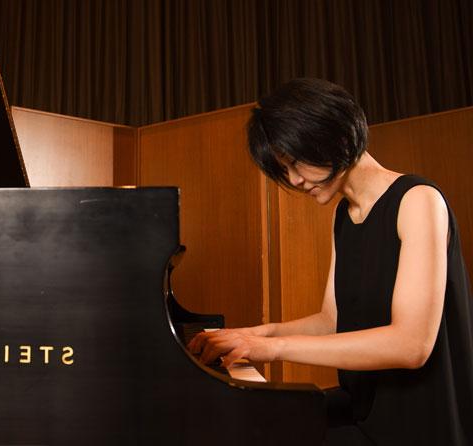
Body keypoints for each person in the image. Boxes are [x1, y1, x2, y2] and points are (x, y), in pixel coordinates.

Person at [187, 78, 473, 445]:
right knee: (261, 423)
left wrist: (272, 349)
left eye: (295, 163)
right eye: (284, 169)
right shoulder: (345, 214)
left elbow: (412, 344)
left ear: (337, 137)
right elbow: (332, 320)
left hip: (417, 421)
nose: (294, 180)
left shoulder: (418, 199)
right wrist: (252, 335)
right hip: (364, 404)